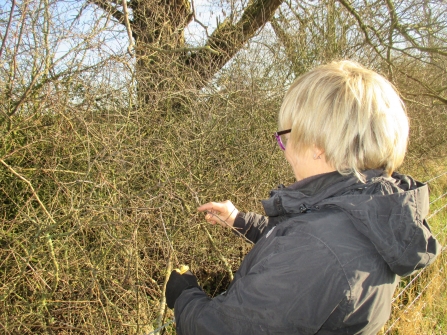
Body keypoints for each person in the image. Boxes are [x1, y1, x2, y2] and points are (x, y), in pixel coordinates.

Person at [165, 60, 441, 334]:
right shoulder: (370, 210)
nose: (284, 150)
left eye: (285, 137)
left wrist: (185, 296)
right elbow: (304, 240)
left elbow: (221, 330)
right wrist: (241, 221)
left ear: (317, 147)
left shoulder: (319, 249)